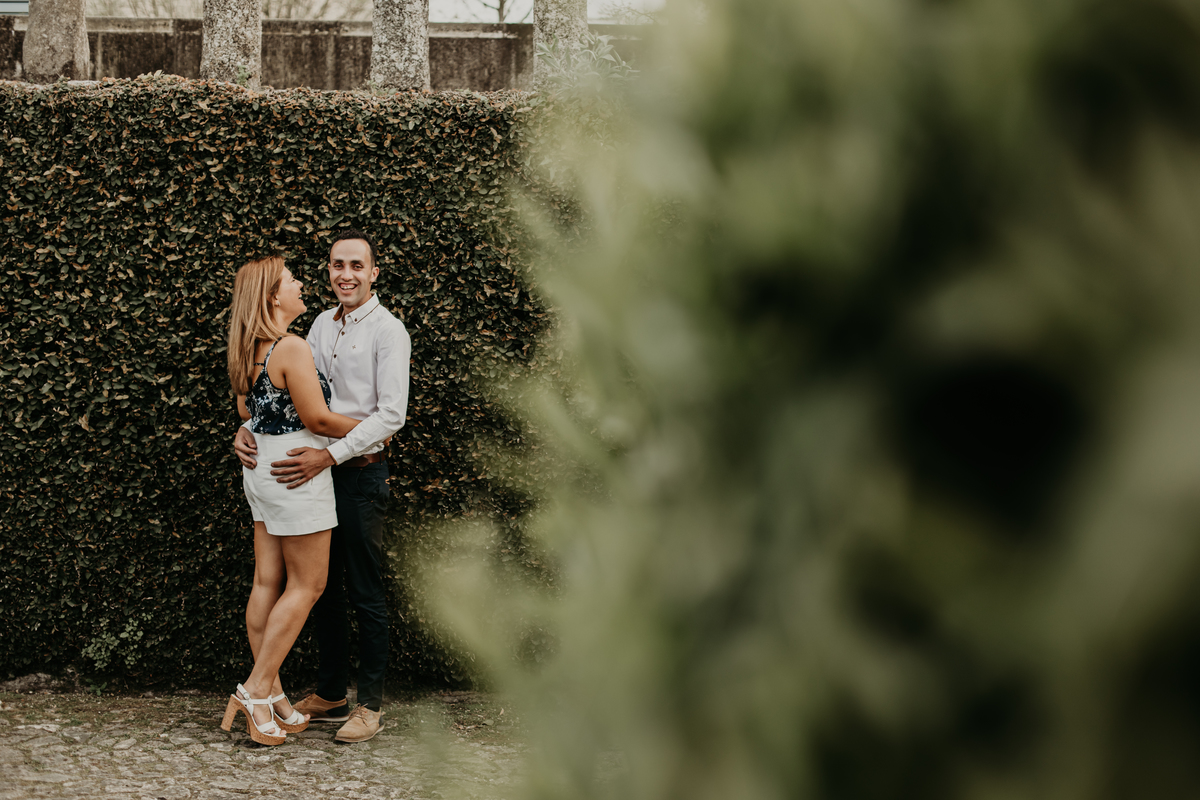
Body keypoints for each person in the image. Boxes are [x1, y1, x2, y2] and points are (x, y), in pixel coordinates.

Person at [234, 229, 411, 744]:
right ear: (329, 270)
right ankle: (331, 690)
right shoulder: (314, 326)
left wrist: (327, 455)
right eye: (337, 264)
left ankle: (370, 706)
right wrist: (249, 428)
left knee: (365, 590)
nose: (346, 274)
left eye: (357, 265)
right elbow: (284, 395)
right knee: (321, 590)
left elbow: (391, 415)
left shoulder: (388, 332)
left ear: (374, 272)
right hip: (312, 471)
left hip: (357, 473)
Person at [220, 255, 364, 746]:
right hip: (296, 470)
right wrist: (376, 428)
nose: (301, 284)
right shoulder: (291, 347)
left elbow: (247, 410)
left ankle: (273, 697)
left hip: (260, 468)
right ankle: (256, 690)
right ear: (272, 296)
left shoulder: (246, 346)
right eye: (291, 280)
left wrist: (246, 432)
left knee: (267, 580)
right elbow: (319, 420)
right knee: (308, 584)